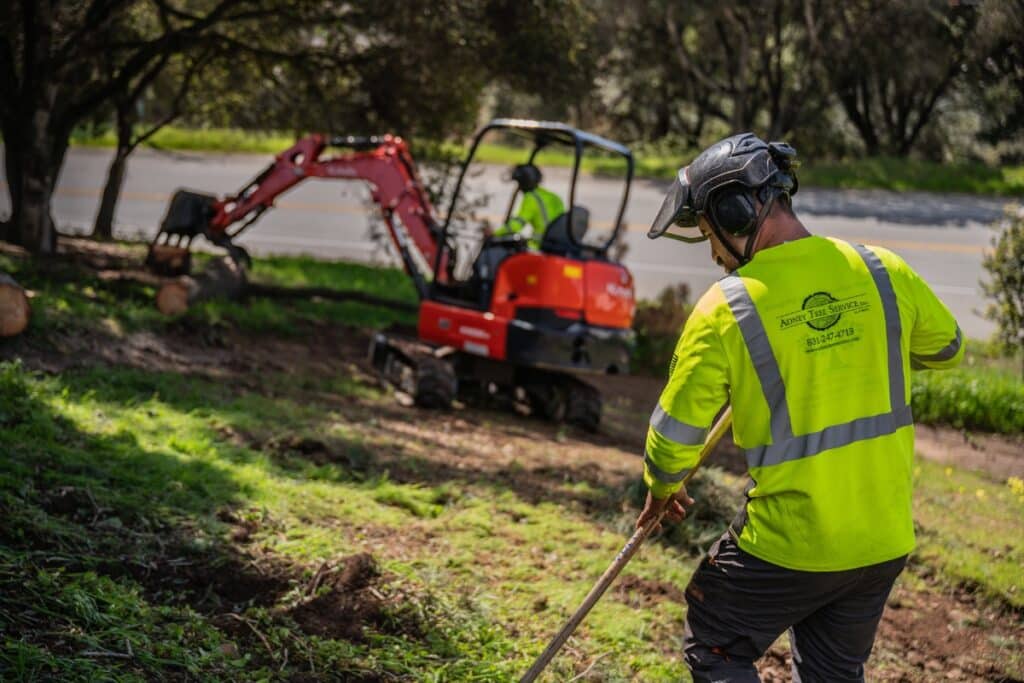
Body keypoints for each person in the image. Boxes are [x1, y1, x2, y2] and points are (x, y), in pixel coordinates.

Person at [634, 133, 964, 682]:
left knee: (716, 641)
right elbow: (947, 348)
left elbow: (672, 438)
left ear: (736, 212)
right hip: (881, 540)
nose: (714, 252)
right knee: (834, 673)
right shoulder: (883, 270)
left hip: (793, 541)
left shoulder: (728, 306)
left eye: (711, 233)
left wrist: (661, 485)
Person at [492, 163, 564, 248]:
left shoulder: (531, 198)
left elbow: (516, 226)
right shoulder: (553, 197)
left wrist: (494, 234)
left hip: (540, 246)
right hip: (557, 245)